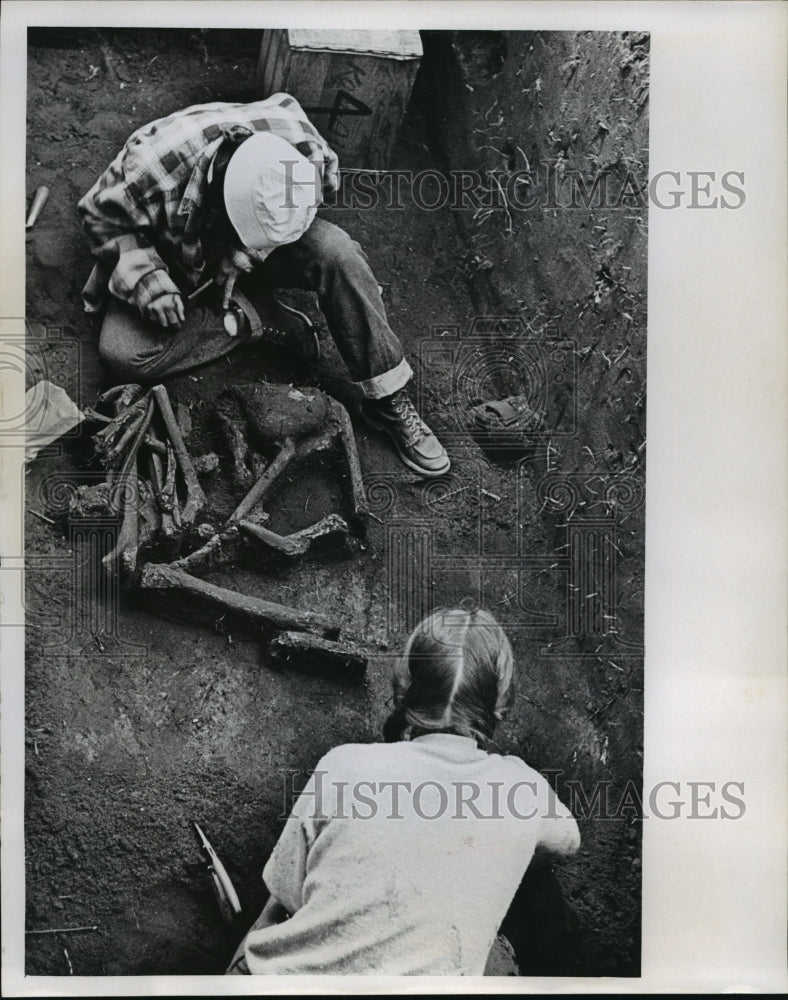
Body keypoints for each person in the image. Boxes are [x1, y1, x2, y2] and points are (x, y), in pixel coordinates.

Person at [77, 93, 450, 478]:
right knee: (123, 354)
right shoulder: (150, 167)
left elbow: (313, 194)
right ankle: (261, 318)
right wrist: (146, 278)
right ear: (219, 200)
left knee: (337, 251)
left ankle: (387, 398)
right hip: (173, 246)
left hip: (250, 240)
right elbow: (97, 218)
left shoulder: (300, 146)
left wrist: (250, 252)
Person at [226, 607, 580, 976]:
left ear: (405, 685)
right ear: (499, 702)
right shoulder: (522, 790)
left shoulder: (342, 764)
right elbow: (568, 840)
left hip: (286, 980)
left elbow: (290, 898)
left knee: (272, 918)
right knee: (505, 946)